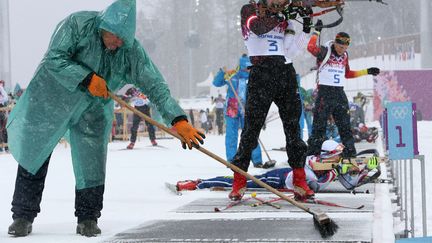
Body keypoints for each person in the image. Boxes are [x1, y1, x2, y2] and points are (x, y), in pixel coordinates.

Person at [6, 0, 205, 237]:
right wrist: (86, 77)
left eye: (124, 38)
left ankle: (88, 217)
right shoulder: (77, 24)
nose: (118, 42)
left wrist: (178, 119)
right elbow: (54, 58)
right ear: (104, 26)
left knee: (92, 162)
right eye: (115, 36)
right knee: (34, 155)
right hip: (52, 98)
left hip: (93, 108)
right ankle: (22, 215)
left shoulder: (129, 51)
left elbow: (155, 85)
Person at [228, 0, 313, 201]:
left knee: (294, 129)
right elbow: (258, 28)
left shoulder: (283, 17)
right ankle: (239, 182)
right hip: (261, 73)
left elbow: (291, 51)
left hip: (285, 72)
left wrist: (306, 23)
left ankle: (300, 181)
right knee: (251, 129)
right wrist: (283, 15)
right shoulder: (249, 10)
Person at [175, 140, 380, 193]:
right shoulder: (311, 163)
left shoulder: (329, 166)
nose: (340, 159)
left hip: (285, 180)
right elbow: (314, 185)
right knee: (241, 181)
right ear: (328, 156)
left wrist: (364, 170)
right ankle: (198, 183)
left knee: (243, 180)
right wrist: (336, 171)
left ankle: (200, 183)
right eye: (337, 156)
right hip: (280, 178)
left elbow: (350, 184)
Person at [306, 20, 380, 158]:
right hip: (325, 93)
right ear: (335, 43)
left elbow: (347, 74)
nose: (342, 50)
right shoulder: (325, 51)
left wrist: (367, 71)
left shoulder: (345, 56)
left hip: (339, 93)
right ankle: (313, 154)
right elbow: (310, 47)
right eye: (340, 47)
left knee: (345, 126)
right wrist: (316, 32)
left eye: (345, 48)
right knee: (319, 126)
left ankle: (350, 153)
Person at [212, 55, 264, 168]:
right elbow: (216, 83)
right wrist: (222, 73)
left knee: (251, 134)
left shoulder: (252, 76)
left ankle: (257, 160)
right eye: (246, 67)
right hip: (232, 109)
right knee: (231, 135)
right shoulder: (232, 75)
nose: (248, 69)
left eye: (249, 67)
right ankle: (231, 160)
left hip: (247, 109)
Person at [0, 80, 9, 152]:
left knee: (4, 129)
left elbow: (6, 98)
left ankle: (6, 147)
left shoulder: (1, 89)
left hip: (2, 110)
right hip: (2, 110)